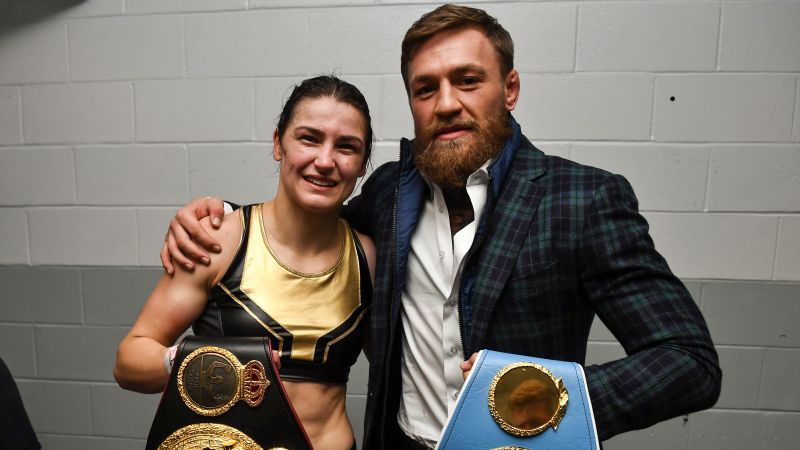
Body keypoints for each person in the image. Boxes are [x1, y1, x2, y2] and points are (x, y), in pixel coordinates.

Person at [161, 4, 722, 449]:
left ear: (510, 89)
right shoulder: (389, 192)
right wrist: (223, 219)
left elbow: (689, 362)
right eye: (426, 88)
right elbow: (307, 228)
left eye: (467, 80)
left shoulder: (582, 199)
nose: (446, 103)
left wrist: (543, 397)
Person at [115, 75, 376, 450]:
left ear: (363, 164)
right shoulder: (218, 241)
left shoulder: (368, 256)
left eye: (346, 146)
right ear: (278, 144)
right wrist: (201, 362)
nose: (324, 161)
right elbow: (129, 361)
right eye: (309, 138)